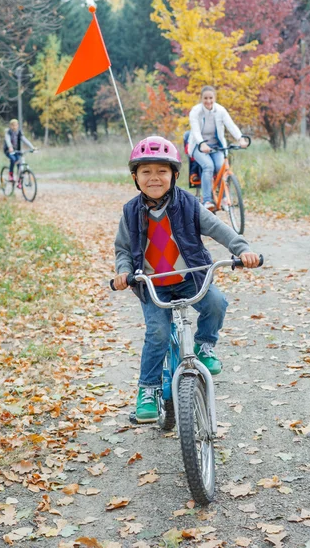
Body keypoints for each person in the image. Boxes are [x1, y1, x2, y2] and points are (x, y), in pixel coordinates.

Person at [113, 136, 260, 423]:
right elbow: (123, 248)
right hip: (153, 285)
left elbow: (218, 228)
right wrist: (122, 271)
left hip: (190, 278)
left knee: (216, 302)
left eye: (161, 171)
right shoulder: (130, 212)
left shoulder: (189, 205)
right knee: (156, 333)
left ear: (174, 175)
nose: (154, 178)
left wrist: (243, 250)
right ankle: (149, 390)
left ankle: (205, 345)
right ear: (135, 177)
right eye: (146, 172)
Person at [188, 86, 249, 210]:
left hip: (217, 145)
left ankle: (225, 198)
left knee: (221, 167)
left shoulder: (220, 111)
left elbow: (231, 125)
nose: (208, 101)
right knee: (208, 166)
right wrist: (201, 143)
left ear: (214, 98)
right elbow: (195, 131)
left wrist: (240, 138)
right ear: (201, 98)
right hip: (198, 146)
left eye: (211, 98)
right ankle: (207, 200)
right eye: (205, 98)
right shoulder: (195, 111)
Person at [4, 119, 35, 186]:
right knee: (13, 159)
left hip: (17, 151)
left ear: (17, 125)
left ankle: (19, 181)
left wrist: (32, 147)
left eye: (15, 125)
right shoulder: (8, 132)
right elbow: (8, 140)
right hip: (8, 150)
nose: (14, 127)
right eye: (13, 125)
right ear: (10, 126)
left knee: (19, 164)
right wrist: (10, 147)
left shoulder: (19, 132)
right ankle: (11, 175)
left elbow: (25, 140)